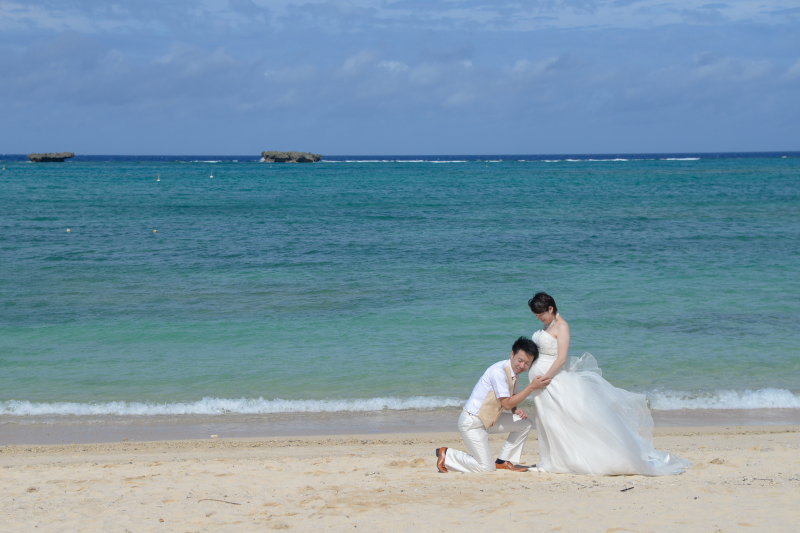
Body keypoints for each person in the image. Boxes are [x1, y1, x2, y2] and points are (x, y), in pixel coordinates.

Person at [526, 292, 691, 476]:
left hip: (552, 380)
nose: (539, 318)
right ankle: (553, 459)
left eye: (541, 314)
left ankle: (567, 460)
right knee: (548, 420)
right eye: (536, 315)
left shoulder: (562, 326)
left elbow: (562, 358)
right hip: (543, 383)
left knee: (561, 420)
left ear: (551, 309)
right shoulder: (548, 325)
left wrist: (545, 378)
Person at [436, 337, 551, 473]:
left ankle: (503, 461)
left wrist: (515, 410)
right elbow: (506, 404)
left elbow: (511, 396)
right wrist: (532, 387)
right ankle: (447, 455)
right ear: (512, 354)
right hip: (472, 423)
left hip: (490, 420)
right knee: (486, 468)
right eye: (520, 360)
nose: (522, 366)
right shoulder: (499, 371)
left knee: (525, 424)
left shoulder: (515, 373)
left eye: (527, 363)